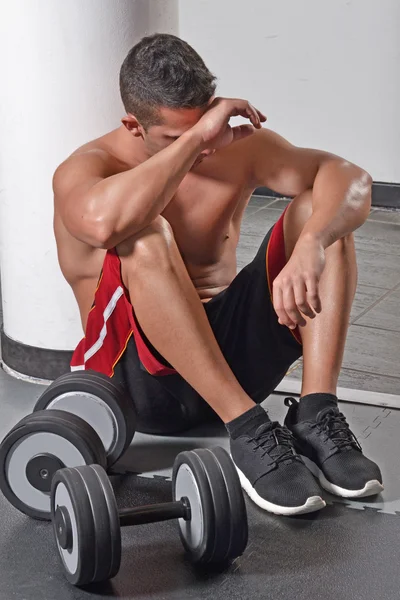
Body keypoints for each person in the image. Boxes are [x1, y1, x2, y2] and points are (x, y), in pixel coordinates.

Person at [53, 33, 383, 516]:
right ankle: (250, 431)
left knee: (322, 211)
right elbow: (106, 224)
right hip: (143, 388)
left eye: (202, 127)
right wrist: (196, 140)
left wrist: (312, 242)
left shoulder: (234, 148)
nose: (204, 149)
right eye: (177, 138)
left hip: (235, 365)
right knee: (145, 235)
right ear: (133, 124)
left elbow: (352, 178)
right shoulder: (88, 169)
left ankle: (316, 412)